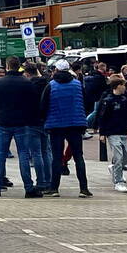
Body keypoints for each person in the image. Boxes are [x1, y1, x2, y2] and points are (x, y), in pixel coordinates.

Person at [0, 56, 47, 198]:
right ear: (18, 66)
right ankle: (29, 187)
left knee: (0, 155)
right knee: (24, 155)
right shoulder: (26, 83)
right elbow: (34, 103)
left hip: (4, 123)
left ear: (7, 66)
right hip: (22, 123)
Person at [42, 59, 92, 197]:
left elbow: (43, 105)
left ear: (56, 70)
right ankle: (84, 188)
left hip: (56, 125)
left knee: (56, 157)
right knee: (78, 156)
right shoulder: (77, 84)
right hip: (76, 124)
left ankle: (54, 188)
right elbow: (87, 102)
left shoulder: (51, 85)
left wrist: (45, 120)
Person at [95, 75, 127, 193]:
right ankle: (119, 181)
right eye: (123, 85)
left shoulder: (124, 99)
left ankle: (114, 169)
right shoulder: (107, 101)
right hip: (112, 133)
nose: (125, 87)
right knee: (118, 157)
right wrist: (102, 133)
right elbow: (102, 117)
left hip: (123, 131)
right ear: (118, 86)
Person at [23, 61, 55, 196]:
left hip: (31, 121)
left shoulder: (28, 86)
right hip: (46, 121)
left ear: (27, 73)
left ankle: (41, 182)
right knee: (46, 152)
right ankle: (49, 181)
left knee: (36, 153)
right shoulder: (48, 85)